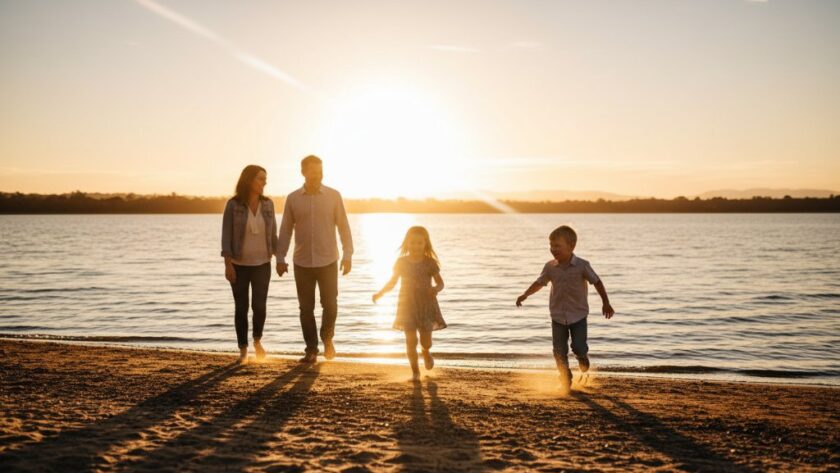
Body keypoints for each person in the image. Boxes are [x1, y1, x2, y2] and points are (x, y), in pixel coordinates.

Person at [516, 225, 614, 393]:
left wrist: (606, 303)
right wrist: (525, 294)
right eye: (551, 246)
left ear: (571, 246)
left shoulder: (582, 265)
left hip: (578, 316)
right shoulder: (550, 267)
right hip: (557, 317)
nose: (553, 249)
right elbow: (540, 282)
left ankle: (582, 357)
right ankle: (565, 378)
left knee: (579, 346)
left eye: (557, 246)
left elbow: (597, 282)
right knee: (559, 351)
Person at [276, 155, 354, 363]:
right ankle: (311, 349)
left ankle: (327, 339)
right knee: (305, 308)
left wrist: (348, 255)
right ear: (303, 172)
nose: (317, 176)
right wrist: (280, 257)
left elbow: (344, 227)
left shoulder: (333, 196)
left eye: (320, 172)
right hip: (302, 262)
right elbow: (285, 230)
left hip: (329, 260)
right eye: (313, 173)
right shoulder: (293, 199)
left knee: (330, 304)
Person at [221, 165, 279, 365]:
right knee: (241, 307)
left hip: (263, 263)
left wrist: (280, 259)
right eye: (261, 179)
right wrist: (228, 265)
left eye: (265, 179)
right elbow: (226, 237)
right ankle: (243, 350)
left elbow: (273, 235)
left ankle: (257, 341)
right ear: (249, 180)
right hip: (239, 264)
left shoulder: (268, 205)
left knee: (260, 306)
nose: (264, 182)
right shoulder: (233, 205)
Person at [373, 226, 447, 381]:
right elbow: (392, 282)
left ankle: (426, 352)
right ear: (407, 243)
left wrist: (436, 289)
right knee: (411, 340)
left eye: (419, 243)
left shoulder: (430, 263)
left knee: (426, 342)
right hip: (407, 306)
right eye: (412, 243)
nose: (416, 246)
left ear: (425, 244)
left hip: (426, 305)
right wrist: (380, 293)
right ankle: (415, 372)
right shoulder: (401, 262)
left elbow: (440, 283)